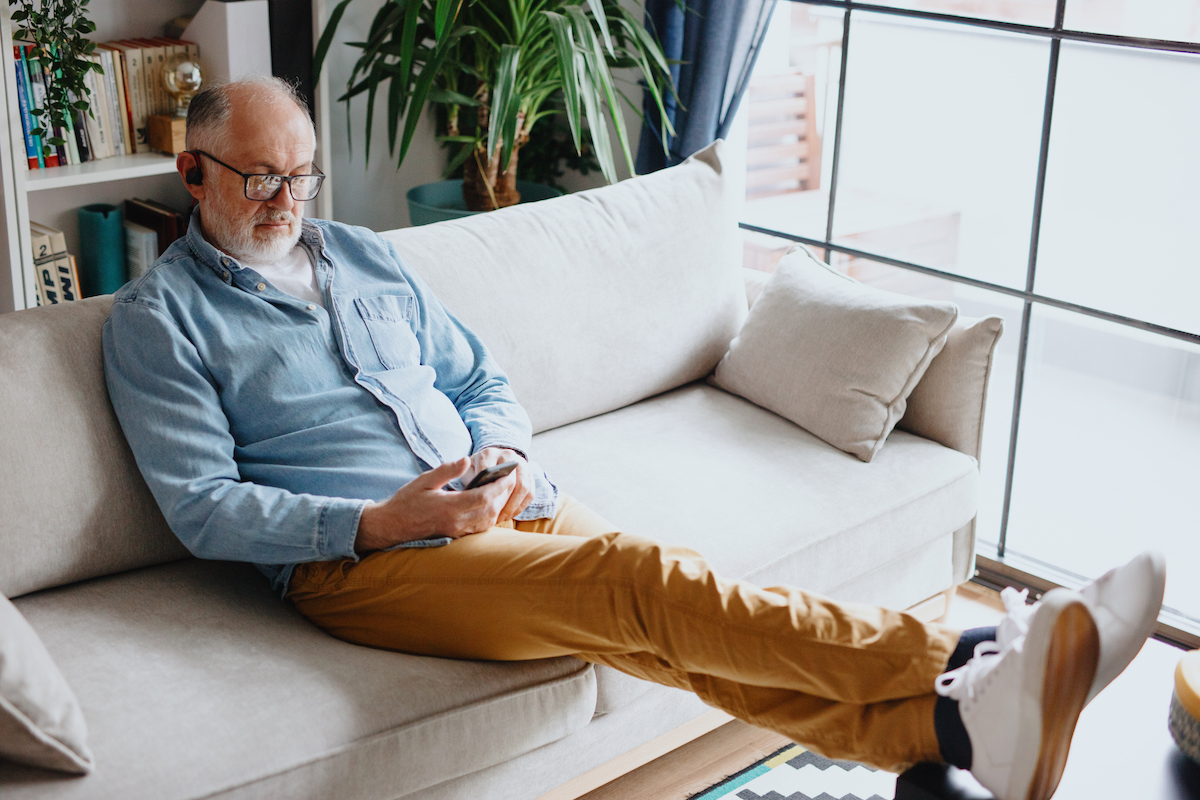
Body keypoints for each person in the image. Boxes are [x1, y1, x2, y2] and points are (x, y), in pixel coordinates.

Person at [102, 77, 1166, 800]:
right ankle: (970, 660)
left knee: (672, 610)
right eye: (260, 178)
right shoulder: (160, 322)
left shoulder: (362, 254)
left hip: (498, 492)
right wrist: (385, 517)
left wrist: (506, 451)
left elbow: (476, 376)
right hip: (365, 558)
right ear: (193, 174)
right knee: (641, 578)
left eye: (302, 175)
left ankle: (948, 736)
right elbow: (204, 506)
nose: (290, 200)